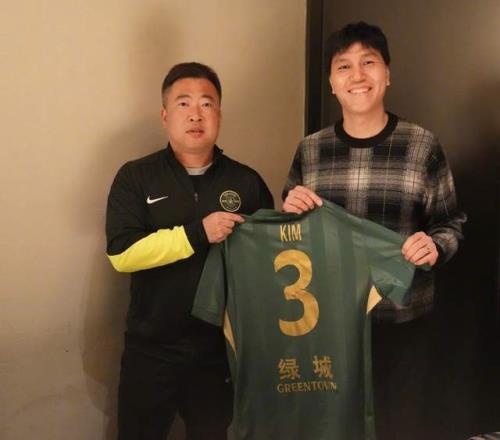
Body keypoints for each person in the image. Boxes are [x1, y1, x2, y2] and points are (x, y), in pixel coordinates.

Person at [282, 21, 466, 438]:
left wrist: (435, 246)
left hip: (403, 322)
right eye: (343, 66)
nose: (357, 75)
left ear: (387, 74)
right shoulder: (311, 150)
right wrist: (289, 209)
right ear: (331, 82)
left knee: (399, 425)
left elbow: (451, 222)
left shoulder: (422, 145)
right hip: (328, 325)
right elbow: (293, 233)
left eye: (368, 62)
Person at [105, 62, 273, 440]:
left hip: (217, 353)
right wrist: (199, 233)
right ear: (165, 116)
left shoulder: (246, 181)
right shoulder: (135, 177)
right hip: (151, 351)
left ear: (219, 115)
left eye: (206, 104)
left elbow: (267, 265)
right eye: (183, 104)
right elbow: (122, 254)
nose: (196, 114)